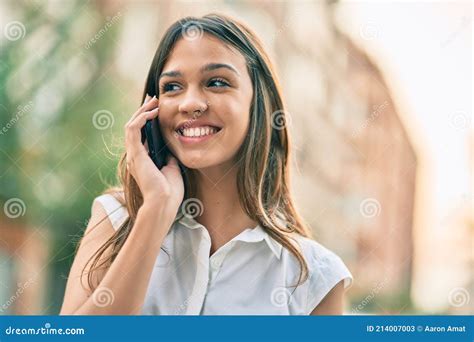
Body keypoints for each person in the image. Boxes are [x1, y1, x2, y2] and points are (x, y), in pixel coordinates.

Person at [60, 13, 353, 315]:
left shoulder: (316, 277)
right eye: (172, 87)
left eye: (216, 82)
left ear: (259, 104)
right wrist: (156, 210)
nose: (190, 104)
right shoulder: (115, 218)